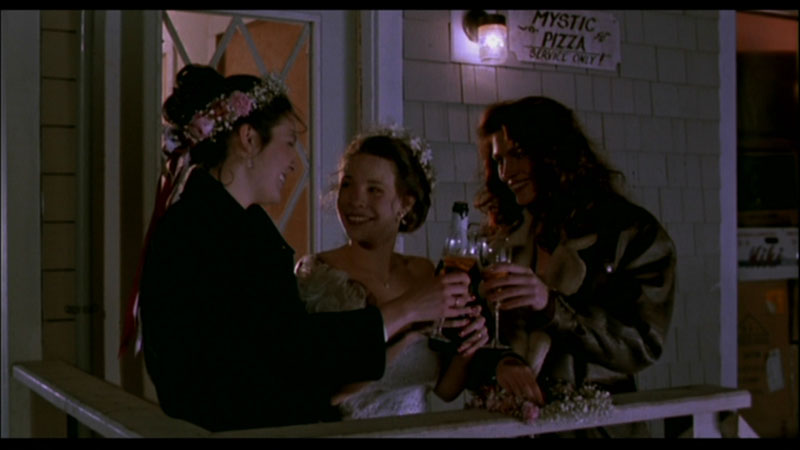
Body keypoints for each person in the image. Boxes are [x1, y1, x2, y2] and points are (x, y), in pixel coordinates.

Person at [134, 64, 476, 433]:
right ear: (249, 139)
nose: (294, 162)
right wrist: (408, 310)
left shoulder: (236, 224)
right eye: (288, 142)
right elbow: (289, 353)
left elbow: (285, 353)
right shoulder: (201, 230)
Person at [295, 125, 544, 420]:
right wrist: (409, 334)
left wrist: (467, 348)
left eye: (373, 189)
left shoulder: (422, 272)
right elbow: (322, 388)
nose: (354, 200)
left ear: (405, 203)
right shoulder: (317, 275)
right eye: (347, 185)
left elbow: (445, 389)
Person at [474, 96, 676, 437]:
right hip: (511, 427)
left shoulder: (630, 232)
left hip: (598, 428)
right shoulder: (501, 238)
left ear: (553, 152)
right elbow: (466, 335)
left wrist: (552, 309)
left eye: (518, 154)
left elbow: (642, 343)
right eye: (499, 161)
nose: (506, 173)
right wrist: (498, 363)